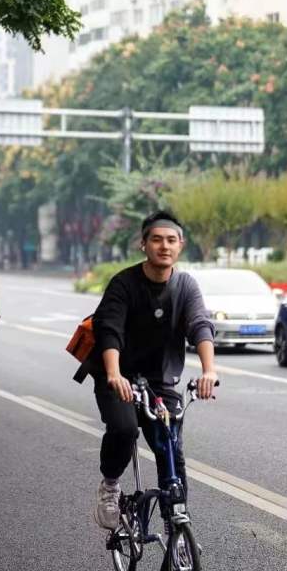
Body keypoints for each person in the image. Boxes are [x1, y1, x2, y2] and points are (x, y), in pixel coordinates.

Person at [88, 210, 217, 535]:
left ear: (181, 245)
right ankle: (110, 485)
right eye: (156, 239)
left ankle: (177, 526)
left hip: (160, 381)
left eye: (171, 240)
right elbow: (110, 330)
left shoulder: (185, 285)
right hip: (116, 375)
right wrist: (115, 374)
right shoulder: (124, 283)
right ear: (143, 244)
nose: (164, 246)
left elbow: (200, 325)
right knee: (125, 428)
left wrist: (208, 371)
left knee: (169, 445)